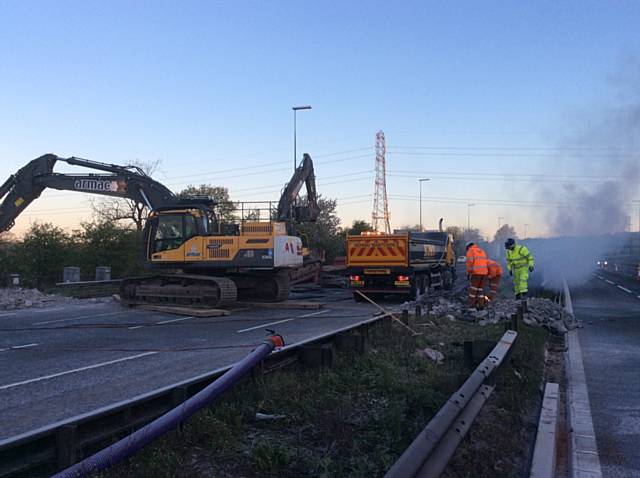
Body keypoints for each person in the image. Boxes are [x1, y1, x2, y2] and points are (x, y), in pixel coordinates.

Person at [465, 242, 489, 308]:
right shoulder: (482, 251)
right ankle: (481, 304)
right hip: (484, 273)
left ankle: (472, 305)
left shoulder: (470, 251)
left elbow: (469, 264)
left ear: (468, 247)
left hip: (476, 273)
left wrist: (468, 273)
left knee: (473, 290)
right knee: (480, 290)